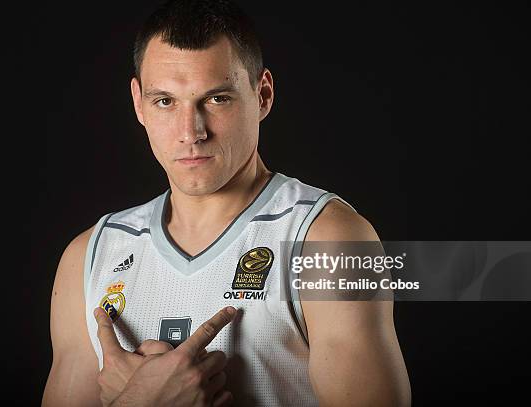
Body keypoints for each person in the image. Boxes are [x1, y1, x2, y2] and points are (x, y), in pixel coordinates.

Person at [42, 0, 411, 406]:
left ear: (263, 94)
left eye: (217, 99)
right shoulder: (90, 256)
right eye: (165, 101)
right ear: (138, 104)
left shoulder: (329, 240)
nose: (191, 131)